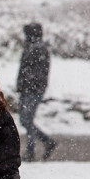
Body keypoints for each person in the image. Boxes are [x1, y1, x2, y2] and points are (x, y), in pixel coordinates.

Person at [17, 22, 57, 161]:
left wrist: (27, 84)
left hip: (32, 90)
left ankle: (32, 149)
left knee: (26, 119)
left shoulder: (38, 49)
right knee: (25, 120)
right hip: (28, 89)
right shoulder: (32, 47)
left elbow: (37, 72)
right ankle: (44, 142)